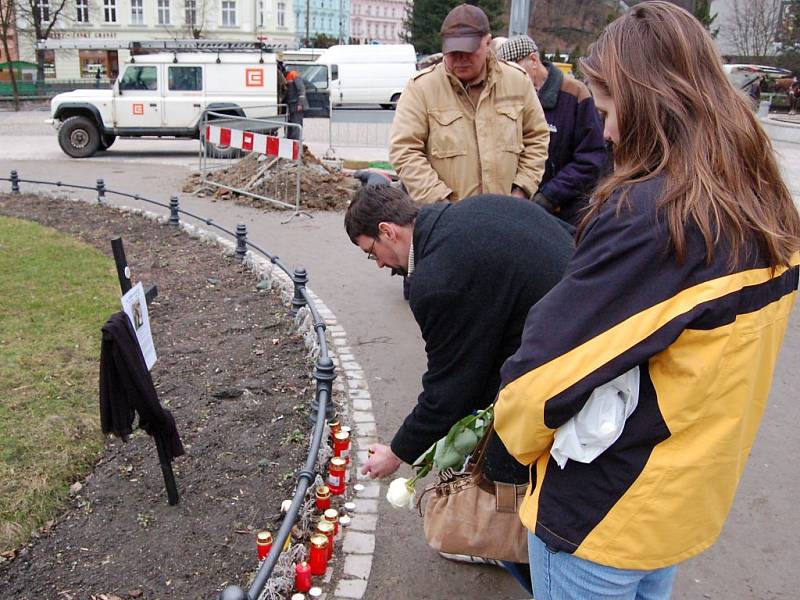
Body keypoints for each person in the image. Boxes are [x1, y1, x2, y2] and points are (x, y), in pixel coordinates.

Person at [494, 3, 800, 600]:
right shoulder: (761, 203)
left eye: (610, 111)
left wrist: (507, 445)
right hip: (681, 503)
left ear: (650, 101)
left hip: (605, 508)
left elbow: (545, 374)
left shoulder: (652, 219)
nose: (605, 133)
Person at [345, 186, 573, 589]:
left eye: (370, 252)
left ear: (388, 231)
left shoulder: (436, 281)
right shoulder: (475, 208)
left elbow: (449, 390)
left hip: (562, 369)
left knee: (505, 471)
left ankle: (537, 569)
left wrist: (398, 452)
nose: (378, 265)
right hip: (585, 319)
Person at [389, 4, 549, 204]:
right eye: (453, 52)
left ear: (487, 43)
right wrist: (440, 203)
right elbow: (405, 150)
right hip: (445, 218)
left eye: (469, 51)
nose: (460, 59)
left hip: (505, 213)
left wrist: (521, 191)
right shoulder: (421, 89)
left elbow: (537, 137)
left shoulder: (517, 81)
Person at [498, 35, 607, 225]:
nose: (510, 77)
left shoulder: (575, 93)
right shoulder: (509, 97)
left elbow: (591, 157)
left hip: (565, 213)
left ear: (533, 60)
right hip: (519, 209)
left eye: (514, 68)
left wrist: (549, 195)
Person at [285, 70, 309, 141]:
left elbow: (301, 89)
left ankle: (296, 142)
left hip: (297, 105)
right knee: (292, 125)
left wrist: (300, 104)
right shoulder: (287, 76)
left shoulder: (293, 74)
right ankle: (291, 141)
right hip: (292, 105)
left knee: (296, 125)